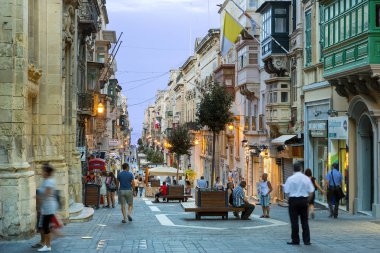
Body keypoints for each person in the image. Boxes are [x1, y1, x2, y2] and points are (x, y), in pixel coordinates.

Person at [284, 162, 314, 246]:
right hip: (303, 200)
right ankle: (306, 240)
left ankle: (295, 240)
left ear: (293, 169)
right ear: (301, 168)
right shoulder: (306, 178)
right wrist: (308, 201)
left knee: (294, 222)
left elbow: (286, 191)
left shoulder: (290, 178)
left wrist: (288, 199)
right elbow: (311, 191)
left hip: (293, 200)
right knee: (305, 221)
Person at [36, 163, 59, 252]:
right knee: (45, 226)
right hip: (46, 206)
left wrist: (38, 201)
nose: (41, 172)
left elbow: (47, 194)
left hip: (49, 207)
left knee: (45, 226)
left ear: (46, 172)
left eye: (43, 171)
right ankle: (46, 244)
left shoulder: (49, 181)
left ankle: (48, 245)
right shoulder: (46, 180)